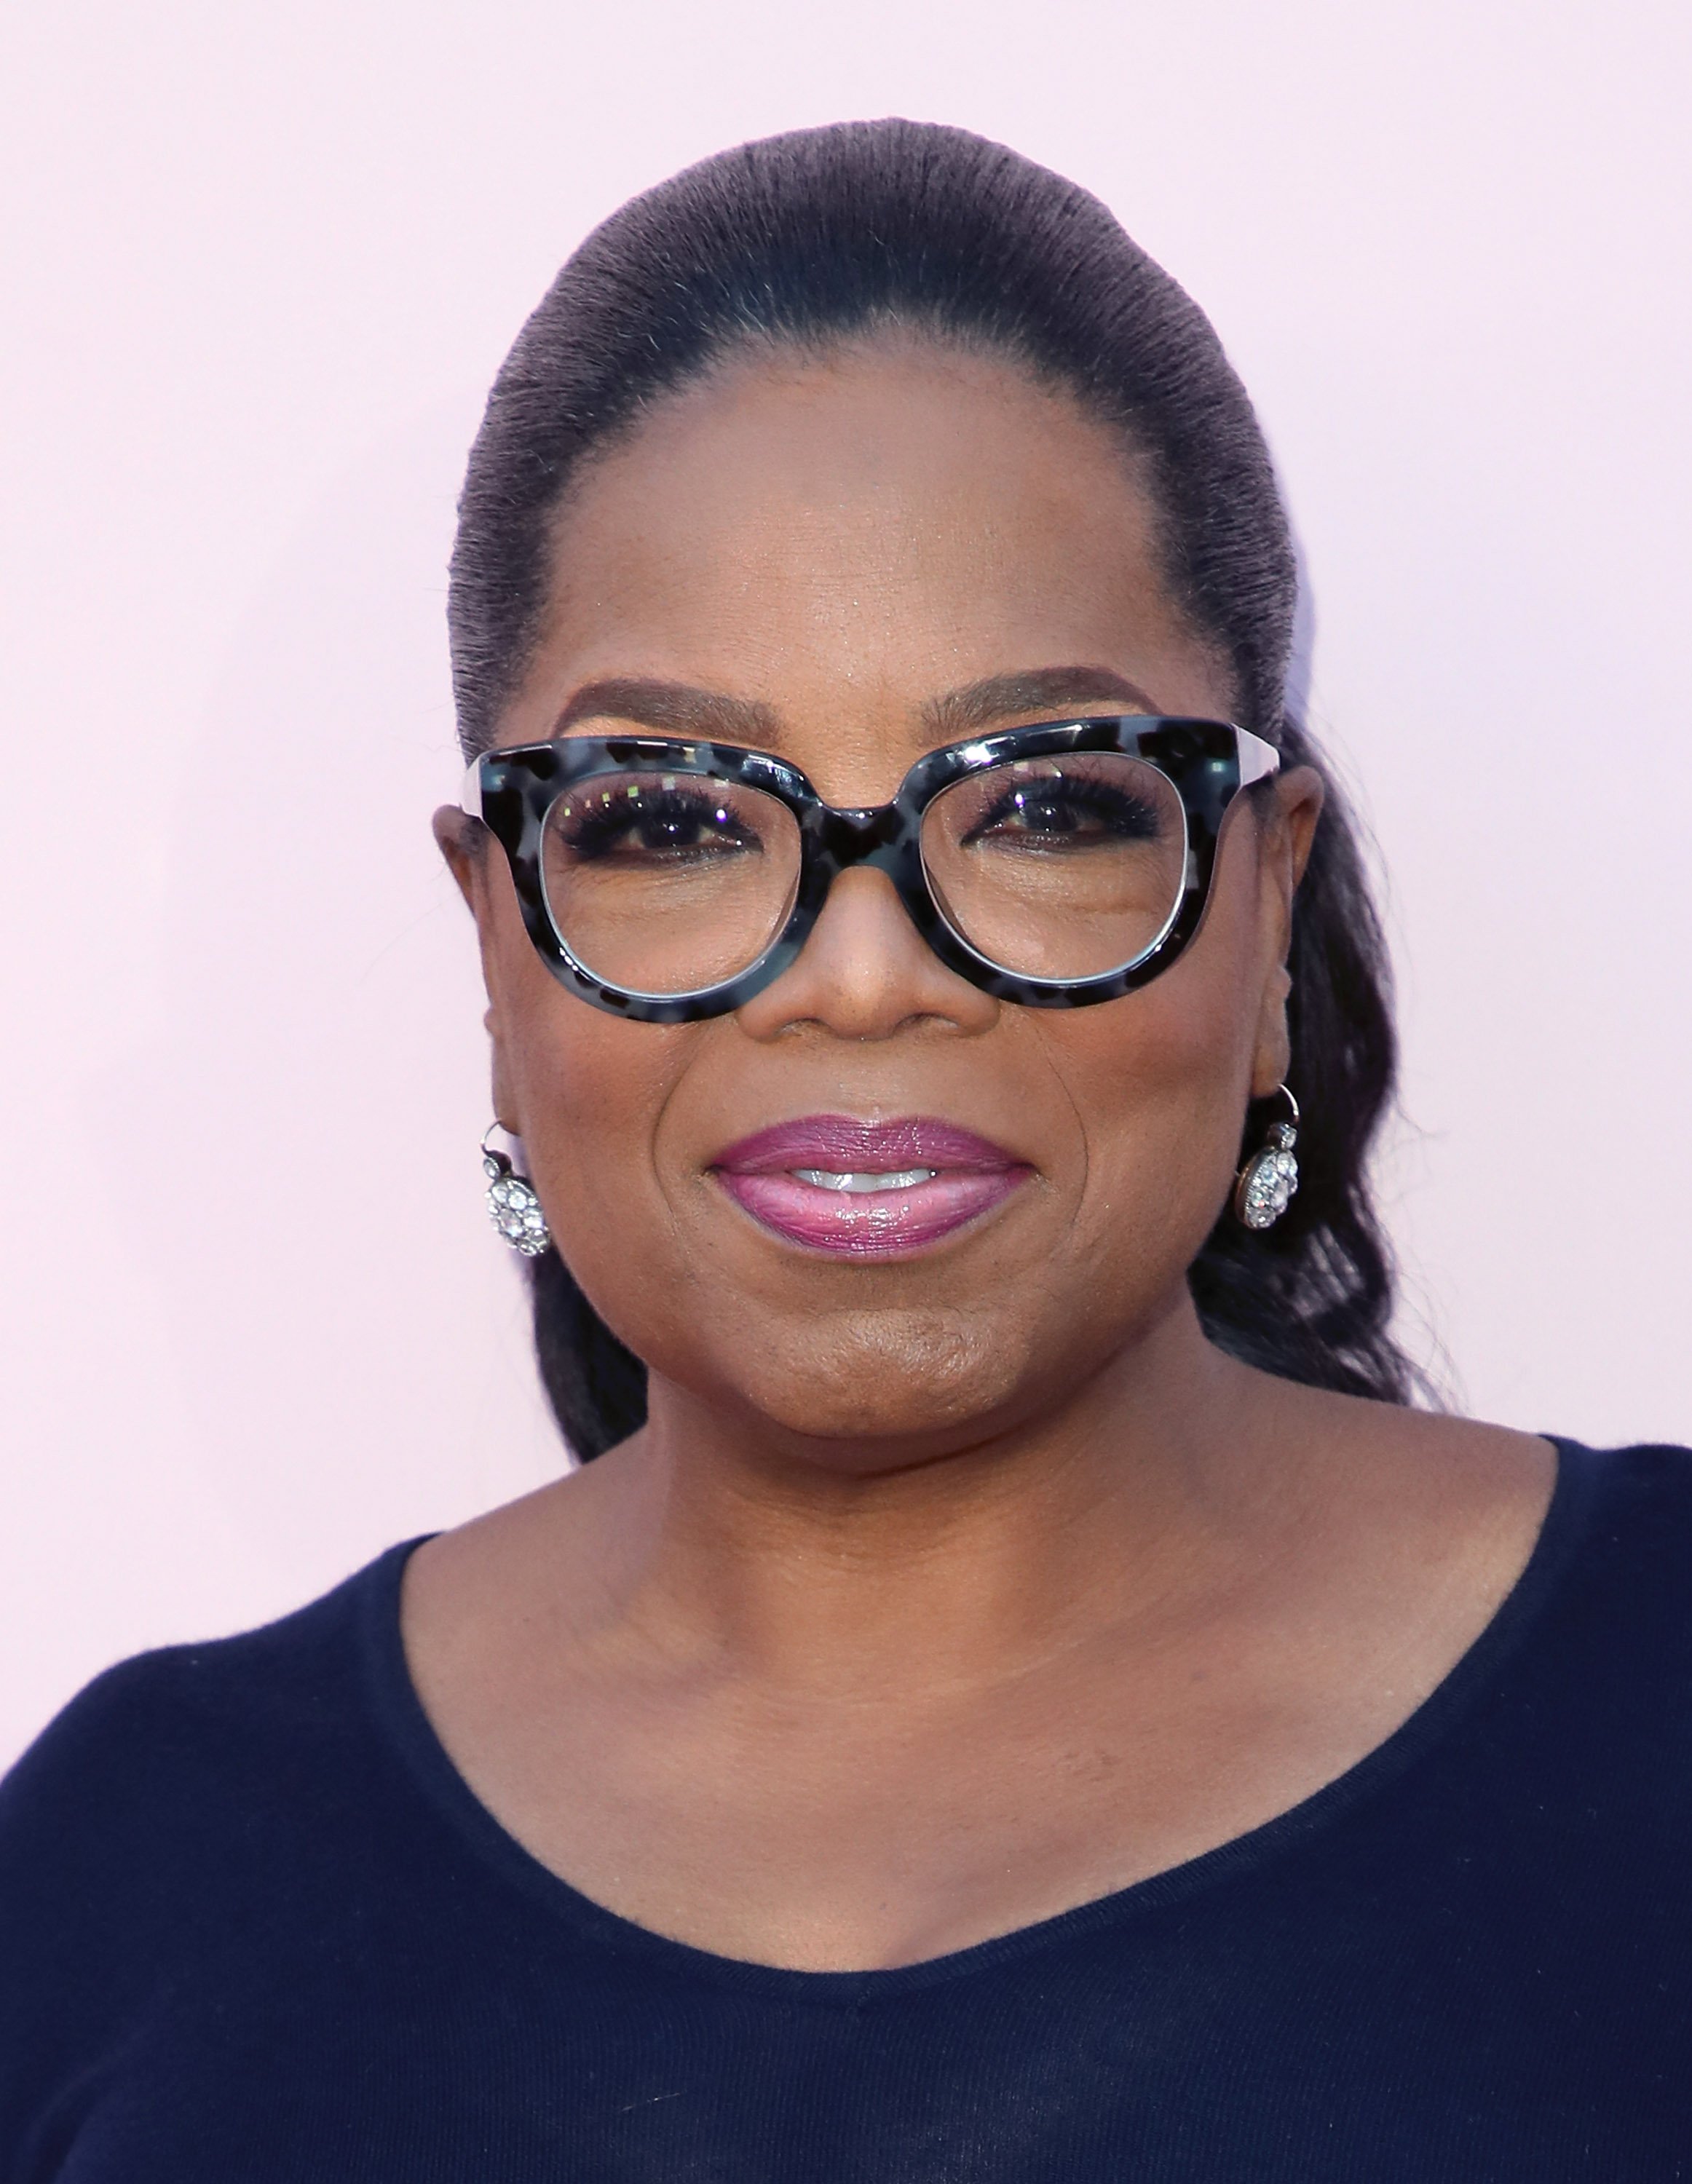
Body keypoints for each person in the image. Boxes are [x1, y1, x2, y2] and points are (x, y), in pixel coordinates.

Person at [2, 119, 1688, 2182]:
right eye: (677, 822)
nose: (866, 974)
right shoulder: (132, 1872)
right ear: (496, 942)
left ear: (1263, 905)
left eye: (1049, 803)